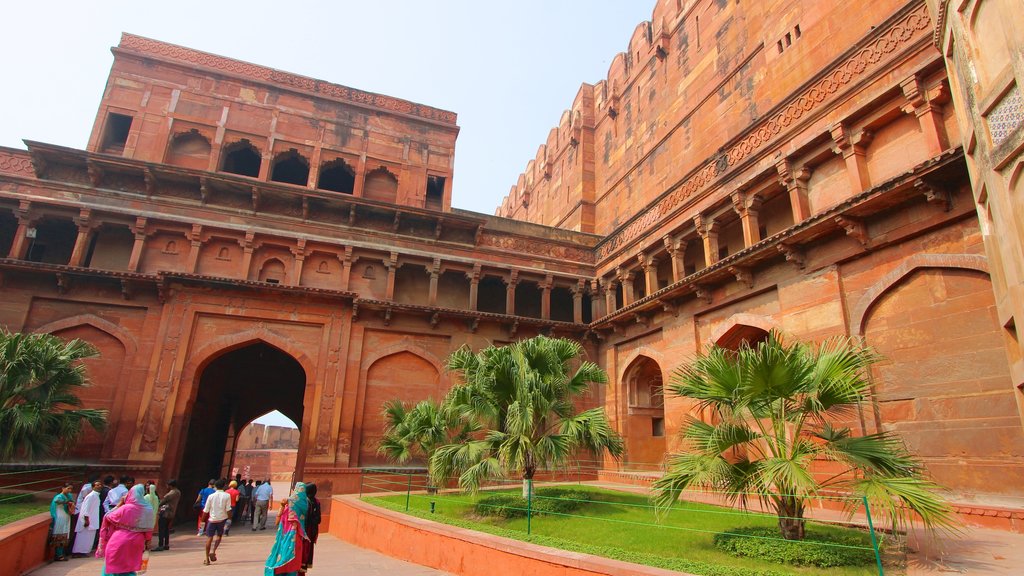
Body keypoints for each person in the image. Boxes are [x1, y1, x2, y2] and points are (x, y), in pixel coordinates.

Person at [96, 484, 154, 576]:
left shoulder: (126, 508)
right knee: (129, 566)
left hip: (120, 539)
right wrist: (148, 541)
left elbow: (107, 517)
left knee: (114, 565)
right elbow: (149, 529)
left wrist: (119, 504)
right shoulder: (148, 509)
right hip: (137, 541)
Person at [263, 483, 309, 576]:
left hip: (289, 534)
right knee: (291, 555)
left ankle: (281, 572)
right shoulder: (304, 503)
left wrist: (283, 505)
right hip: (295, 534)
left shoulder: (290, 502)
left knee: (286, 554)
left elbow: (277, 521)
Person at [202, 478, 232, 565]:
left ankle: (207, 559)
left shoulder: (211, 496)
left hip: (212, 519)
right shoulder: (227, 496)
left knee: (209, 538)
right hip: (221, 519)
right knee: (219, 536)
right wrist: (230, 518)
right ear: (224, 486)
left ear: (215, 486)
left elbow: (206, 510)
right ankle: (213, 550)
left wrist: (203, 521)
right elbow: (228, 509)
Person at [71, 480, 102, 558]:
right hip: (87, 520)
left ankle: (84, 551)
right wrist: (86, 519)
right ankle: (78, 552)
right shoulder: (91, 496)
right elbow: (85, 509)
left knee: (88, 538)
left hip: (93, 520)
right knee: (82, 537)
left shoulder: (96, 496)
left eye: (100, 485)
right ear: (93, 487)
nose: (99, 486)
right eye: (97, 485)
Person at [49, 482, 74, 561]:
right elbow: (57, 501)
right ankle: (58, 554)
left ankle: (61, 553)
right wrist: (67, 502)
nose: (69, 490)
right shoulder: (59, 496)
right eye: (68, 488)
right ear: (63, 488)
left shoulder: (69, 496)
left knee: (65, 534)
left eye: (71, 489)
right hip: (60, 517)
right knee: (59, 535)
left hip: (66, 517)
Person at [154, 479, 180, 552]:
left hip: (165, 512)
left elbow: (161, 502)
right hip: (171, 513)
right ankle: (166, 544)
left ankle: (160, 545)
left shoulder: (170, 494)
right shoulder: (178, 492)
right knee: (166, 529)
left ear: (170, 485)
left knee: (161, 529)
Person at [301, 483, 322, 575]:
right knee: (308, 549)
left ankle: (301, 567)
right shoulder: (316, 501)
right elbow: (318, 519)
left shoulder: (305, 501)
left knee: (303, 549)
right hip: (312, 530)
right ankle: (303, 567)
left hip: (306, 530)